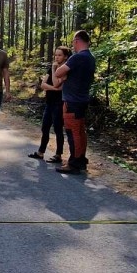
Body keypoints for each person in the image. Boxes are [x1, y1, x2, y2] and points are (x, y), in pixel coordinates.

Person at [51, 30, 95, 174]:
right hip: (82, 98)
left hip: (72, 100)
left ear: (77, 41)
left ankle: (74, 163)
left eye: (73, 43)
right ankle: (81, 159)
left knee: (73, 131)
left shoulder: (77, 57)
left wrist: (60, 70)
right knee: (80, 131)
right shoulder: (90, 57)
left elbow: (58, 73)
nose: (72, 46)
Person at [29, 46, 70, 163]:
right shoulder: (51, 67)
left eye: (60, 55)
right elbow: (43, 84)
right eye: (56, 55)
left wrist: (53, 70)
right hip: (49, 102)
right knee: (45, 127)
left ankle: (58, 155)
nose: (57, 57)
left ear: (65, 56)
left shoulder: (65, 69)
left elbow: (57, 83)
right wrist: (54, 88)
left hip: (59, 103)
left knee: (57, 128)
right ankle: (40, 152)